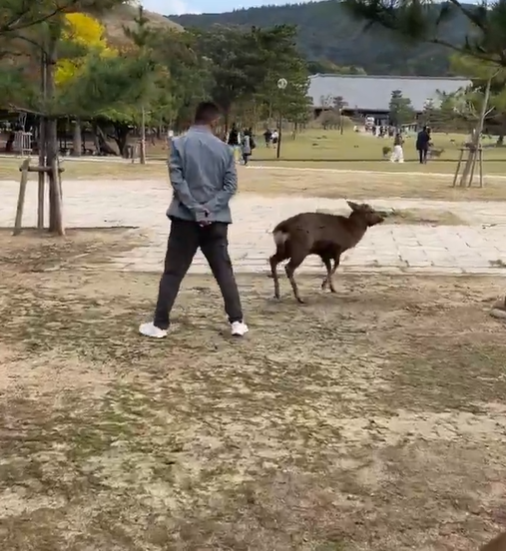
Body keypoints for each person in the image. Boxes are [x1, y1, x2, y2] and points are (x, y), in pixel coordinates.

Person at [139, 101, 248, 339]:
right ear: (214, 122)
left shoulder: (178, 144)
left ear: (194, 119)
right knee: (223, 272)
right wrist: (210, 208)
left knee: (173, 273)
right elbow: (230, 186)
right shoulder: (225, 150)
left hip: (184, 220)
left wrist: (195, 208)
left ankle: (160, 324)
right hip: (216, 221)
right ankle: (237, 321)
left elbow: (177, 182)